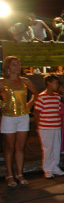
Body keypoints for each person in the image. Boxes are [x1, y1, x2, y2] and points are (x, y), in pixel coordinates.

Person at [1, 56, 39, 188]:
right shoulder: (3, 82)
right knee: (9, 147)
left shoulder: (25, 81)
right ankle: (9, 174)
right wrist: (2, 104)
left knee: (20, 147)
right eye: (14, 65)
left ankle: (19, 173)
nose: (17, 67)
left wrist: (30, 104)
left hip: (23, 116)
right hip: (8, 117)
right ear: (7, 67)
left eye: (18, 64)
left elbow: (36, 93)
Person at [34, 74, 64, 179]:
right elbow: (37, 112)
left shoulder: (57, 97)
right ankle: (47, 169)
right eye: (56, 83)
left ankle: (55, 167)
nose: (57, 85)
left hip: (56, 126)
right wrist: (38, 126)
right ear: (49, 83)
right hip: (46, 127)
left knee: (56, 147)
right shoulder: (42, 96)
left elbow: (57, 111)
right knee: (48, 148)